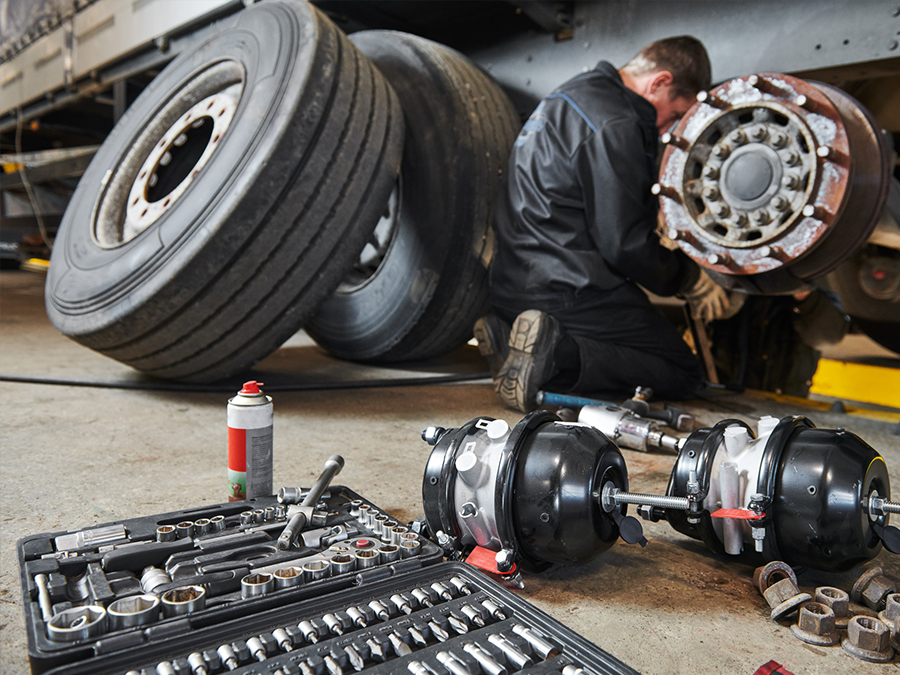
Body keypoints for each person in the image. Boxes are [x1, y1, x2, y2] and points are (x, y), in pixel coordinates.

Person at [474, 36, 731, 412]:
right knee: (681, 370)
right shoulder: (618, 120)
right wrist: (687, 278)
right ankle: (558, 354)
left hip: (514, 281)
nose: (667, 130)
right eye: (675, 114)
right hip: (566, 288)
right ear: (658, 82)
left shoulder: (570, 95)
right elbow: (624, 243)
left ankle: (509, 335)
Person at [709, 289, 850, 397]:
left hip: (784, 403)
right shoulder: (730, 291)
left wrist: (804, 293)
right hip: (726, 398)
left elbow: (829, 337)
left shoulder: (811, 294)